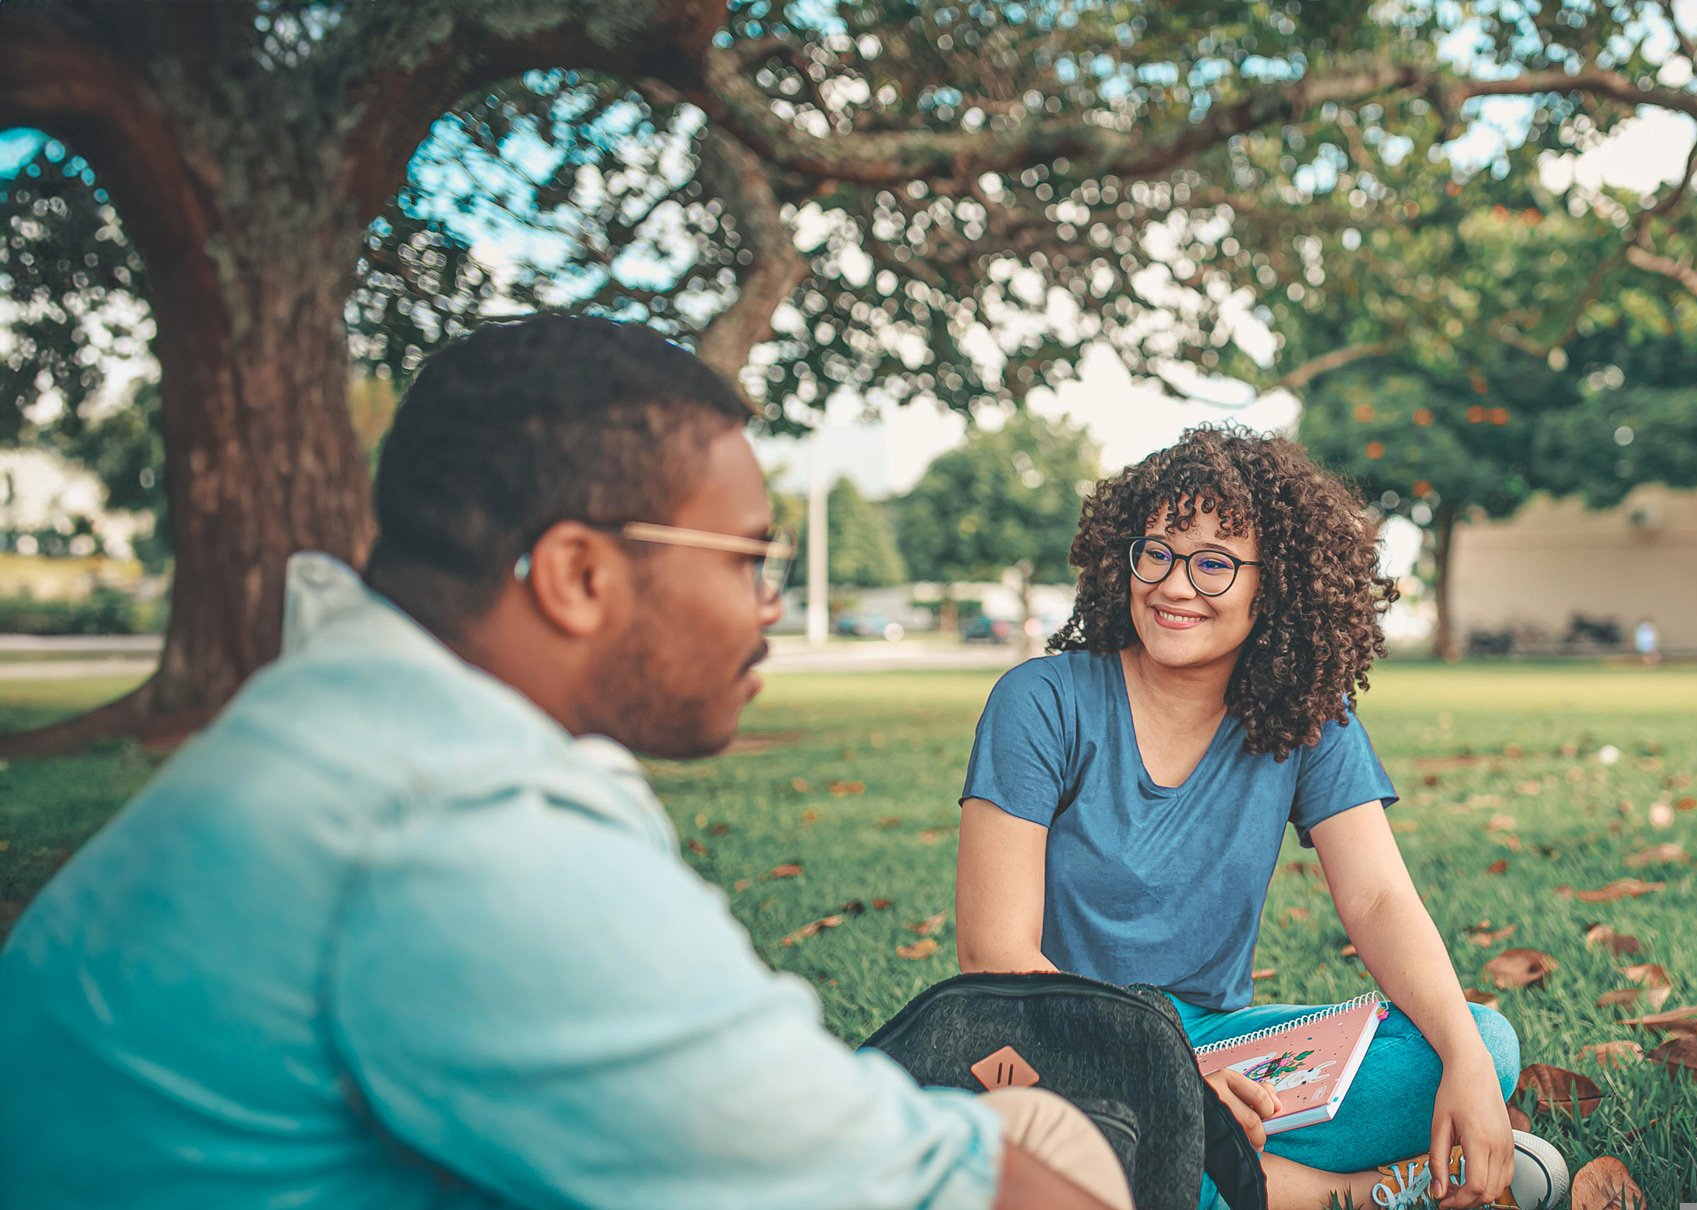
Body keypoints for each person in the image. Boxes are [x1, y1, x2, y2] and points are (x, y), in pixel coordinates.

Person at [0, 317, 1127, 1210]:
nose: (770, 603)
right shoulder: (461, 830)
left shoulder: (342, 717)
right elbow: (954, 1191)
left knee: (1023, 1122)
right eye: (746, 556)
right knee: (1038, 1151)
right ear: (579, 575)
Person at [953, 428, 1561, 1210]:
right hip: (1061, 1048)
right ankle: (1355, 1194)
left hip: (1220, 1048)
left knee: (1481, 1041)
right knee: (1053, 1144)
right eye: (1158, 552)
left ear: (1272, 586)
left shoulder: (1309, 718)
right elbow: (993, 955)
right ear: (1122, 557)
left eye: (1213, 562)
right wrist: (1170, 1085)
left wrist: (1468, 1065)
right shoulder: (1040, 703)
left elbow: (1377, 899)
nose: (1175, 586)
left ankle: (1194, 1176)